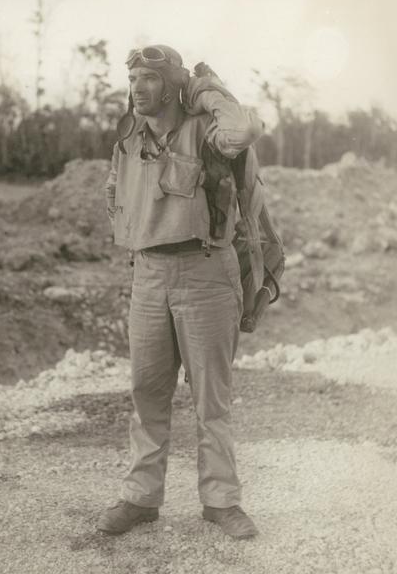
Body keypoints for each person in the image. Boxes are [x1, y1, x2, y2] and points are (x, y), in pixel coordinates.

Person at [97, 44, 264, 539]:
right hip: (147, 274)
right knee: (147, 393)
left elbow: (245, 128)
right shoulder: (129, 136)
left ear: (172, 86)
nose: (136, 91)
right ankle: (141, 498)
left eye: (147, 80)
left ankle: (221, 501)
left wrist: (207, 90)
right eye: (131, 81)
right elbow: (114, 194)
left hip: (205, 271)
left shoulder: (205, 131)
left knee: (211, 399)